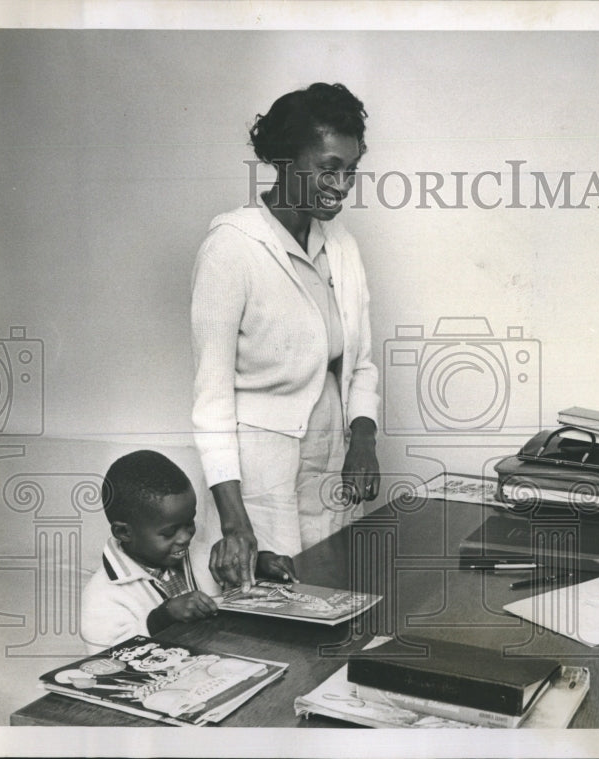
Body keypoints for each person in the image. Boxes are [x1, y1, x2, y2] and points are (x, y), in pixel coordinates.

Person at [191, 82, 381, 592]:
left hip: (327, 467)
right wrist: (234, 524)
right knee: (262, 617)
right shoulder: (231, 249)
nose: (341, 186)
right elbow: (210, 403)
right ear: (282, 160)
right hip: (256, 484)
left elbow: (359, 362)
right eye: (327, 168)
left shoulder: (341, 248)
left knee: (326, 601)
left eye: (350, 171)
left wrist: (363, 438)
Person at [81, 450, 218, 651]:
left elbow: (230, 587)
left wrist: (258, 564)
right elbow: (109, 663)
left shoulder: (200, 554)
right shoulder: (102, 597)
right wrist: (162, 619)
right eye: (170, 532)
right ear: (124, 532)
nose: (185, 537)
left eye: (189, 523)